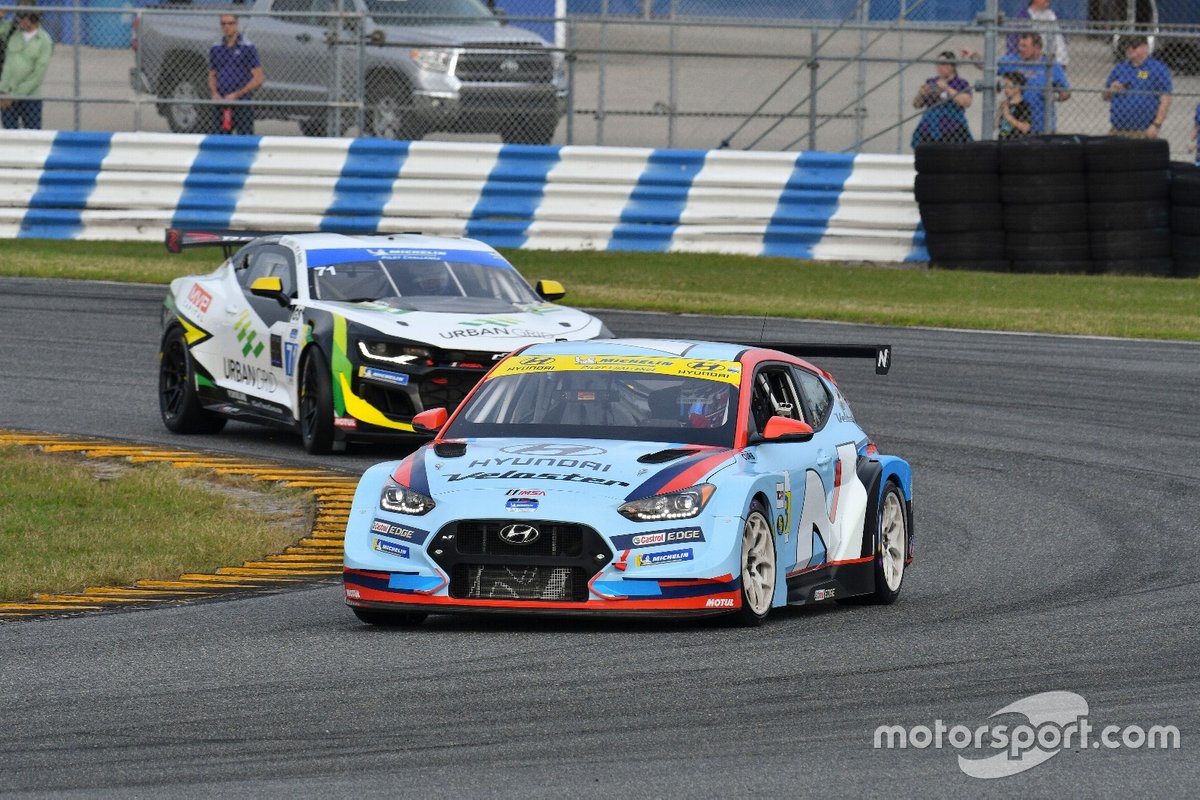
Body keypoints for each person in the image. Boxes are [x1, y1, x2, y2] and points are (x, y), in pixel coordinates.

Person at [1102, 35, 1172, 139]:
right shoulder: (1120, 68)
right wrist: (1111, 90)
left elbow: (1166, 98)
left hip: (1143, 132)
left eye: (1134, 46)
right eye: (1126, 46)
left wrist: (1156, 125)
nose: (1129, 49)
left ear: (1145, 48)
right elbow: (1104, 96)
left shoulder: (1157, 69)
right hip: (1118, 131)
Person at [999, 33, 1070, 134]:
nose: (1020, 49)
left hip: (1042, 126)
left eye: (1024, 46)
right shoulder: (1012, 60)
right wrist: (974, 56)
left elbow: (1066, 93)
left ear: (1037, 48)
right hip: (1015, 125)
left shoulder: (1051, 65)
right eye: (1019, 45)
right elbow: (988, 67)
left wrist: (1054, 97)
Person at [0, 0, 53, 130]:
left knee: (33, 133)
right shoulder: (12, 31)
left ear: (32, 18)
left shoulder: (44, 41)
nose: (18, 21)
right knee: (10, 135)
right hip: (6, 93)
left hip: (30, 97)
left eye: (21, 17)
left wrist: (15, 95)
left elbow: (37, 75)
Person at [208, 14, 263, 135]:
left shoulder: (247, 47)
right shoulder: (216, 48)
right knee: (220, 140)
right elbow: (212, 75)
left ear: (237, 25)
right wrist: (215, 94)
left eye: (230, 23)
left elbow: (258, 78)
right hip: (222, 103)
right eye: (223, 24)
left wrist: (237, 94)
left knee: (244, 140)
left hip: (241, 103)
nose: (226, 27)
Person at [911, 51, 973, 148]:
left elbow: (966, 102)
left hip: (952, 128)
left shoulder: (961, 83)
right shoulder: (931, 81)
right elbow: (916, 105)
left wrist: (947, 88)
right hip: (929, 127)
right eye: (938, 64)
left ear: (952, 66)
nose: (940, 67)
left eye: (943, 64)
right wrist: (921, 94)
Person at [1006, 0, 1069, 71]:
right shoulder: (1023, 18)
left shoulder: (1052, 16)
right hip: (1031, 64)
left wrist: (1062, 61)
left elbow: (1060, 42)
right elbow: (1012, 45)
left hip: (1052, 62)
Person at [998, 71, 1033, 139]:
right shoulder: (1006, 104)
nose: (1005, 88)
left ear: (1017, 87)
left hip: (1017, 142)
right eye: (1004, 86)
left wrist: (1007, 116)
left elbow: (1025, 128)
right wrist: (1000, 112)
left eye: (1007, 85)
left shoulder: (1024, 105)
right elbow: (1000, 128)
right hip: (1003, 140)